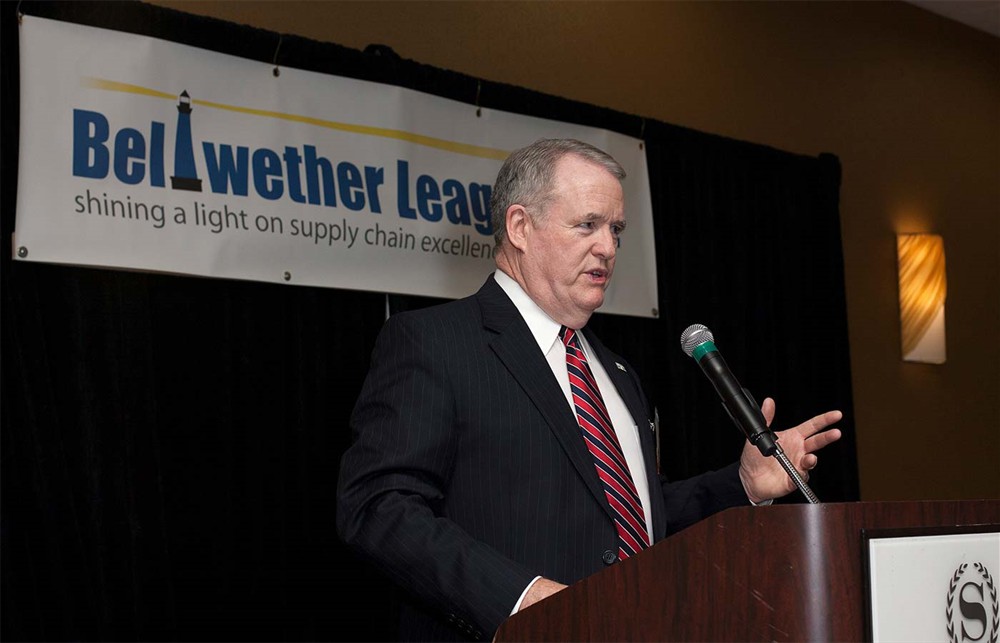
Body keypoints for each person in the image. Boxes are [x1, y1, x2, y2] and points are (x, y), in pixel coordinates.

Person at [336, 138, 842, 642]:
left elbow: (637, 517)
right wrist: (521, 598)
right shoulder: (436, 342)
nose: (608, 247)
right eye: (587, 225)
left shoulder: (617, 371)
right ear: (520, 227)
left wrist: (744, 484)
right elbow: (379, 508)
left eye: (616, 229)